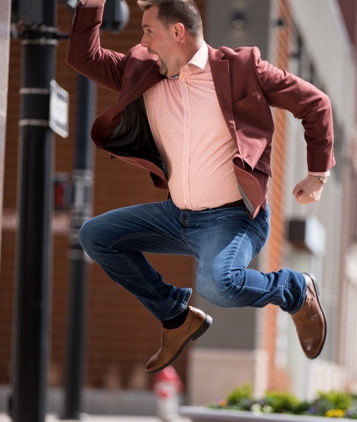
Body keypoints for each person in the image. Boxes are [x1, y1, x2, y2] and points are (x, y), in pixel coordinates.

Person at [67, 0, 335, 374]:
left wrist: (317, 173)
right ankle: (175, 316)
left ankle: (295, 289)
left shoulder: (243, 69)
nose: (143, 43)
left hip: (234, 218)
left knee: (219, 286)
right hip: (177, 216)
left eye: (148, 31)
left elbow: (315, 103)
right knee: (96, 235)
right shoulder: (142, 71)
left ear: (178, 32)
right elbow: (84, 56)